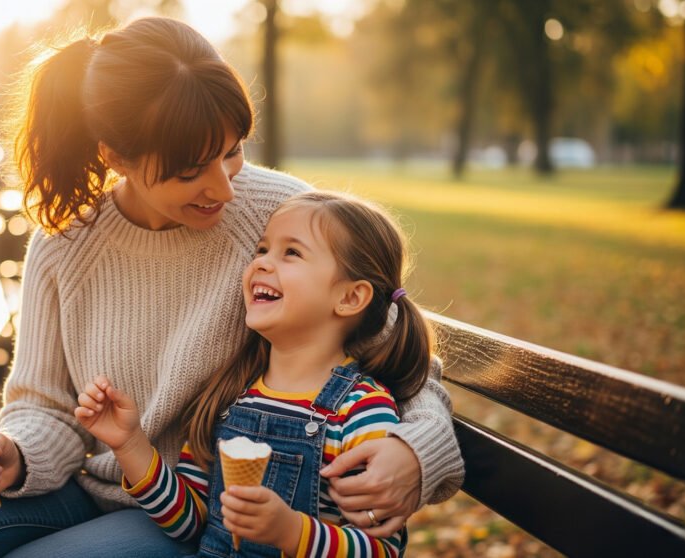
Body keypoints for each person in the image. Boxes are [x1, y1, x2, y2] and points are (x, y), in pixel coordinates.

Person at [0, 17, 463, 558]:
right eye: (189, 170)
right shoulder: (65, 245)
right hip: (96, 486)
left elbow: (401, 348)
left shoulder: (284, 221)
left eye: (231, 152)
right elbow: (43, 408)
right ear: (117, 157)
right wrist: (14, 454)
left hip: (204, 511)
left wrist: (417, 451)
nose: (224, 188)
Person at [76, 191, 427, 557]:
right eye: (262, 250)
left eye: (291, 252)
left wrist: (293, 533)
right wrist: (130, 444)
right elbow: (191, 523)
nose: (261, 263)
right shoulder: (229, 398)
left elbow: (382, 549)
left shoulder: (361, 409)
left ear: (351, 298)